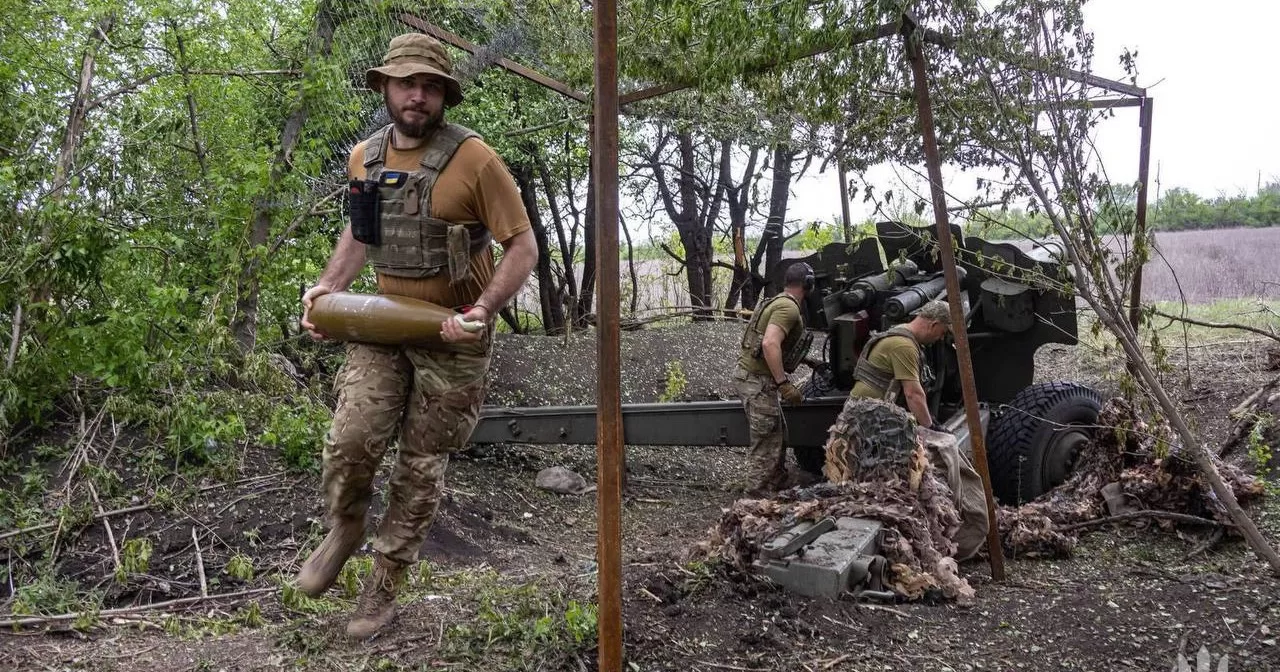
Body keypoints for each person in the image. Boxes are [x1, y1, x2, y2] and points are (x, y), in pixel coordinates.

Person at [295, 32, 537, 640]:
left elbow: (523, 246)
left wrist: (483, 307)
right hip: (381, 323)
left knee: (419, 465)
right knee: (350, 441)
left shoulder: (475, 160)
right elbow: (359, 235)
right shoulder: (364, 159)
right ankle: (345, 524)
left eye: (431, 86)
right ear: (384, 87)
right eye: (407, 83)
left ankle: (382, 590)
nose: (418, 96)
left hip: (451, 335)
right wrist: (327, 291)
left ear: (444, 96)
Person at [733, 262, 815, 495]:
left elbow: (768, 342)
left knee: (778, 432)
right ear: (808, 284)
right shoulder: (788, 309)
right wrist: (783, 384)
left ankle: (777, 480)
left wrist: (808, 361)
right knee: (766, 439)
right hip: (757, 380)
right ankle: (757, 494)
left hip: (753, 377)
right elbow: (769, 343)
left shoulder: (778, 301)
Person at [849, 299, 952, 430]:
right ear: (934, 325)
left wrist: (929, 418)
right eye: (943, 332)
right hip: (867, 420)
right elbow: (913, 394)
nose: (941, 338)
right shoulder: (904, 346)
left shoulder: (902, 333)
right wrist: (930, 427)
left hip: (870, 413)